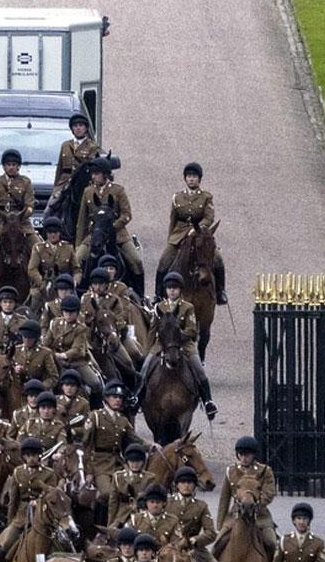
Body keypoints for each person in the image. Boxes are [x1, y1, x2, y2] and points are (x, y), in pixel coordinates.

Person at [133, 272, 216, 420]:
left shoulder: (187, 307)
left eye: (175, 288)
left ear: (180, 290)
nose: (172, 291)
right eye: (170, 288)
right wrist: (146, 352)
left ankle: (208, 401)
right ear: (165, 290)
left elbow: (191, 330)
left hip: (184, 343)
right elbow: (152, 330)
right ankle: (137, 398)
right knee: (145, 368)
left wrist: (177, 337)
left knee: (198, 368)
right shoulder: (159, 307)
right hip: (162, 344)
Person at [0, 436, 62, 562]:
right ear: (24, 457)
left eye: (34, 455)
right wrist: (10, 522)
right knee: (6, 544)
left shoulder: (49, 474)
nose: (31, 459)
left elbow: (52, 495)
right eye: (28, 456)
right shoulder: (17, 473)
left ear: (39, 455)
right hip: (22, 517)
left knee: (64, 542)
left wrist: (40, 502)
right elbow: (13, 500)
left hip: (44, 515)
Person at [157, 162, 227, 304]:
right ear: (185, 178)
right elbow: (173, 219)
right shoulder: (177, 197)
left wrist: (198, 228)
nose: (191, 179)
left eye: (194, 176)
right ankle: (158, 295)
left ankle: (221, 291)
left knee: (218, 259)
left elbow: (209, 217)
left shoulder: (206, 197)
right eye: (189, 176)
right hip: (179, 234)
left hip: (200, 234)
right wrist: (171, 239)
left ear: (199, 179)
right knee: (164, 261)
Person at [74, 159, 143, 284]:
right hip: (95, 235)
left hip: (118, 235)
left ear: (105, 174)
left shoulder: (118, 191)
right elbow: (82, 220)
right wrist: (78, 244)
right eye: (92, 173)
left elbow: (127, 214)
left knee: (136, 260)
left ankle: (141, 294)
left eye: (96, 173)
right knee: (77, 259)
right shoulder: (88, 191)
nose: (93, 176)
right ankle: (77, 291)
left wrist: (112, 227)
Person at [77, 381, 145, 505]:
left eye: (120, 397)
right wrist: (89, 471)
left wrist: (152, 446)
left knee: (133, 490)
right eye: (114, 397)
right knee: (106, 493)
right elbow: (87, 445)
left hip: (117, 462)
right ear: (106, 398)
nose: (118, 400)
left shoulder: (123, 420)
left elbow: (135, 439)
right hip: (99, 464)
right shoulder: (95, 417)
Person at [168, 466, 228, 562]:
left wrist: (195, 540)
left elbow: (211, 533)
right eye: (183, 482)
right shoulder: (168, 503)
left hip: (195, 550)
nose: (186, 485)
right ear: (177, 484)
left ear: (195, 485)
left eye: (190, 483)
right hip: (170, 549)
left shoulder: (201, 506)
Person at [215, 436, 278, 554]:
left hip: (260, 516)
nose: (244, 458)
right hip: (235, 515)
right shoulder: (231, 471)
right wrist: (220, 525)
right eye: (241, 454)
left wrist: (257, 503)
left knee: (272, 544)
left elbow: (269, 492)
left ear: (254, 455)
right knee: (217, 545)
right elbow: (224, 499)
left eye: (247, 455)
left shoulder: (265, 471)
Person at [80, 268, 139, 381]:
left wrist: (114, 330)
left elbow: (120, 318)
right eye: (95, 284)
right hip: (91, 339)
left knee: (128, 361)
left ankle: (134, 383)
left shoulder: (114, 299)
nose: (97, 287)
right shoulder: (85, 298)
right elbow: (81, 318)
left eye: (101, 284)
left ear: (106, 285)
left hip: (111, 336)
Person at [0, 148, 38, 261]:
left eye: (14, 164)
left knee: (41, 252)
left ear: (18, 166)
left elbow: (29, 205)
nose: (11, 167)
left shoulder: (25, 182)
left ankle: (45, 278)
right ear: (4, 166)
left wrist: (22, 215)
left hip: (21, 225)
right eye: (8, 164)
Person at [45, 293, 103, 393]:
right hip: (55, 360)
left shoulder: (80, 328)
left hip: (76, 361)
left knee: (95, 383)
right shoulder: (54, 323)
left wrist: (63, 355)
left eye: (72, 312)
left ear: (77, 313)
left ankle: (96, 405)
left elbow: (76, 349)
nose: (68, 314)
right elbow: (47, 342)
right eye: (66, 311)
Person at [51, 112, 102, 202]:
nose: (78, 128)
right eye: (75, 126)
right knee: (49, 208)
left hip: (84, 183)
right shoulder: (65, 145)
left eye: (81, 125)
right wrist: (56, 187)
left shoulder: (93, 147)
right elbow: (59, 169)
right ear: (72, 129)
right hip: (64, 183)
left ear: (86, 128)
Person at [27, 217, 77, 305]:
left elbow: (77, 269)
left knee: (75, 301)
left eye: (55, 232)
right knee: (35, 298)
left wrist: (73, 282)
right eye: (50, 232)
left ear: (60, 233)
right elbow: (32, 269)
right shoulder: (38, 248)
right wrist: (41, 282)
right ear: (46, 233)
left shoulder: (68, 247)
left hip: (64, 283)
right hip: (44, 282)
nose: (53, 235)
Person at [108, 443, 157, 528]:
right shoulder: (118, 477)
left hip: (142, 516)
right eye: (132, 461)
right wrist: (110, 523)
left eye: (138, 461)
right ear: (127, 462)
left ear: (142, 462)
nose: (135, 464)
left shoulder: (150, 478)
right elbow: (113, 503)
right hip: (122, 516)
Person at [10, 320, 59, 393]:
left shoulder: (45, 353)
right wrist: (14, 370)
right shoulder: (16, 350)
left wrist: (40, 386)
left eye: (30, 338)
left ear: (35, 338)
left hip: (38, 391)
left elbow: (53, 377)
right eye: (24, 337)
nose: (26, 340)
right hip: (18, 390)